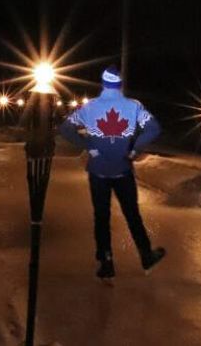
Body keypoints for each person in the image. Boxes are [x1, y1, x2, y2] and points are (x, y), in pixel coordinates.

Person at [58, 65, 166, 282]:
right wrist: (134, 148)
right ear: (120, 84)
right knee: (132, 214)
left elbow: (66, 128)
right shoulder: (133, 106)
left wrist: (88, 145)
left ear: (103, 83)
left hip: (98, 172)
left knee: (101, 217)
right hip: (123, 171)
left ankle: (106, 263)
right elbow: (154, 128)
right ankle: (146, 256)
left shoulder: (90, 108)